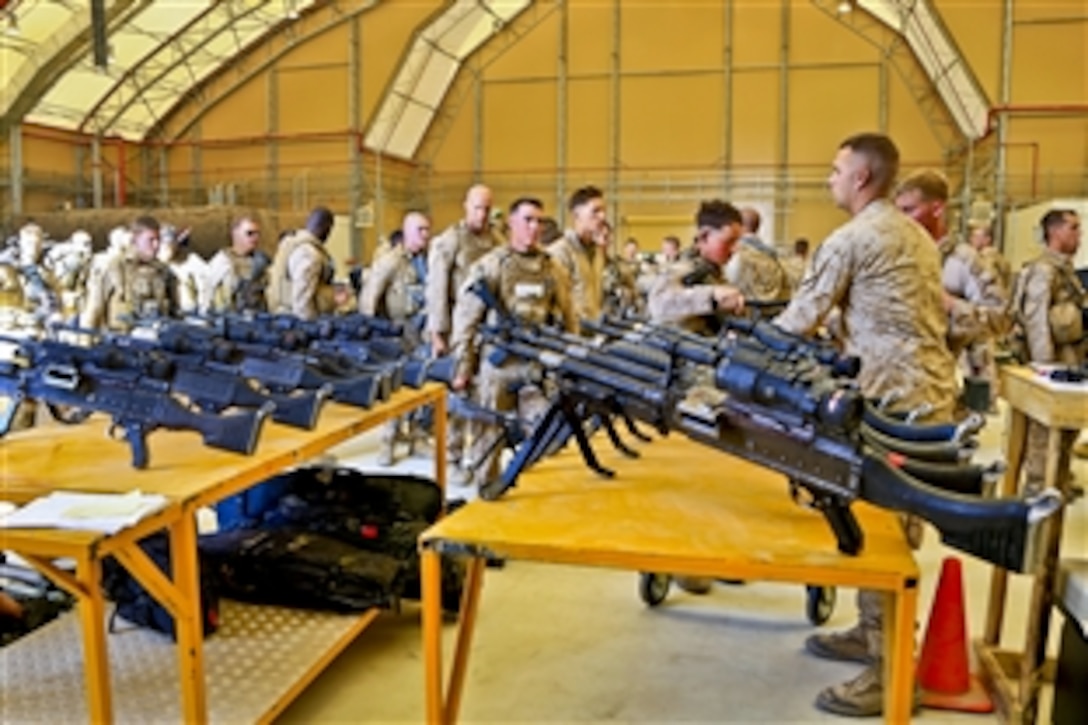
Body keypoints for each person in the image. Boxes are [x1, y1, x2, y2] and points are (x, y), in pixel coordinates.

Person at [773, 133, 957, 718]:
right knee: (886, 527)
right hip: (925, 400)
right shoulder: (915, 236)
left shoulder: (852, 239)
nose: (829, 179)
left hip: (891, 409)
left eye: (836, 170)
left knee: (885, 535)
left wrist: (736, 346)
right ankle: (869, 633)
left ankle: (890, 670)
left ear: (862, 178)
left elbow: (795, 324)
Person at [449, 197, 577, 493]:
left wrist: (571, 361)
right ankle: (487, 491)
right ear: (511, 223)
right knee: (487, 437)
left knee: (548, 431)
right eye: (528, 220)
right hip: (498, 367)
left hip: (536, 367)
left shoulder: (552, 268)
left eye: (539, 221)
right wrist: (462, 367)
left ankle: (528, 484)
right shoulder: (492, 265)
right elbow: (466, 320)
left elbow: (570, 319)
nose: (535, 227)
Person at [893, 170, 1007, 411]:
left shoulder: (964, 260)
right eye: (899, 211)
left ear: (937, 209)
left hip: (941, 386)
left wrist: (952, 305)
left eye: (909, 210)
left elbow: (1000, 318)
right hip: (894, 384)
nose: (902, 220)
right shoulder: (896, 256)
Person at [425, 184, 502, 481]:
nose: (482, 214)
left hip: (487, 332)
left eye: (487, 208)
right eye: (477, 207)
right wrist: (437, 333)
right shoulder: (449, 242)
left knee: (482, 397)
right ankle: (452, 457)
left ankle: (478, 456)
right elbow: (436, 291)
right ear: (465, 206)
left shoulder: (497, 240)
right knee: (457, 395)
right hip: (457, 330)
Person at [1009, 209, 1084, 492]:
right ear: (1055, 232)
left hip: (1069, 364)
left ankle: (1058, 484)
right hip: (1053, 368)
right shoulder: (1043, 270)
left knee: (1064, 436)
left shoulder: (1064, 269)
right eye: (1073, 228)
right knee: (1044, 438)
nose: (1079, 234)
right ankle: (1039, 494)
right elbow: (1037, 323)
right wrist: (1045, 373)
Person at [360, 211, 432, 466]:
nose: (425, 235)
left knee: (421, 386)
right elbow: (370, 297)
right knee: (396, 387)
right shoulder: (390, 261)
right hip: (397, 332)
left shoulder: (428, 261)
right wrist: (374, 333)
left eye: (427, 229)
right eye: (419, 230)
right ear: (406, 232)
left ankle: (416, 435)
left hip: (422, 332)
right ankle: (388, 439)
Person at [80, 216, 177, 332]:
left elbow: (175, 313)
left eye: (158, 240)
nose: (156, 245)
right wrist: (85, 343)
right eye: (150, 240)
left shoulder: (164, 272)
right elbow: (93, 312)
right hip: (119, 345)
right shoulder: (114, 268)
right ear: (135, 240)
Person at [547, 185, 608, 321]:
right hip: (569, 337)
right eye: (595, 211)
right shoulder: (559, 253)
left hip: (593, 333)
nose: (602, 217)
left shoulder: (597, 252)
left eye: (604, 211)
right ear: (576, 216)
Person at [266, 207, 336, 320]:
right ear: (327, 228)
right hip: (294, 318)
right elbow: (302, 301)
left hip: (282, 313)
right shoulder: (309, 254)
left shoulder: (290, 244)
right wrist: (309, 328)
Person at [724, 206, 791, 306]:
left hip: (744, 312)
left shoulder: (735, 255)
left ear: (739, 225)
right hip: (771, 310)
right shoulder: (773, 257)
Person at [204, 216, 271, 314]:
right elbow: (207, 291)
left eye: (257, 234)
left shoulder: (261, 260)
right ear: (235, 234)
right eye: (250, 233)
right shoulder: (222, 261)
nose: (255, 238)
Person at [158, 225, 207, 316]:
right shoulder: (154, 263)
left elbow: (206, 286)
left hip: (189, 314)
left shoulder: (192, 261)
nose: (166, 248)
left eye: (169, 244)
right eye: (163, 244)